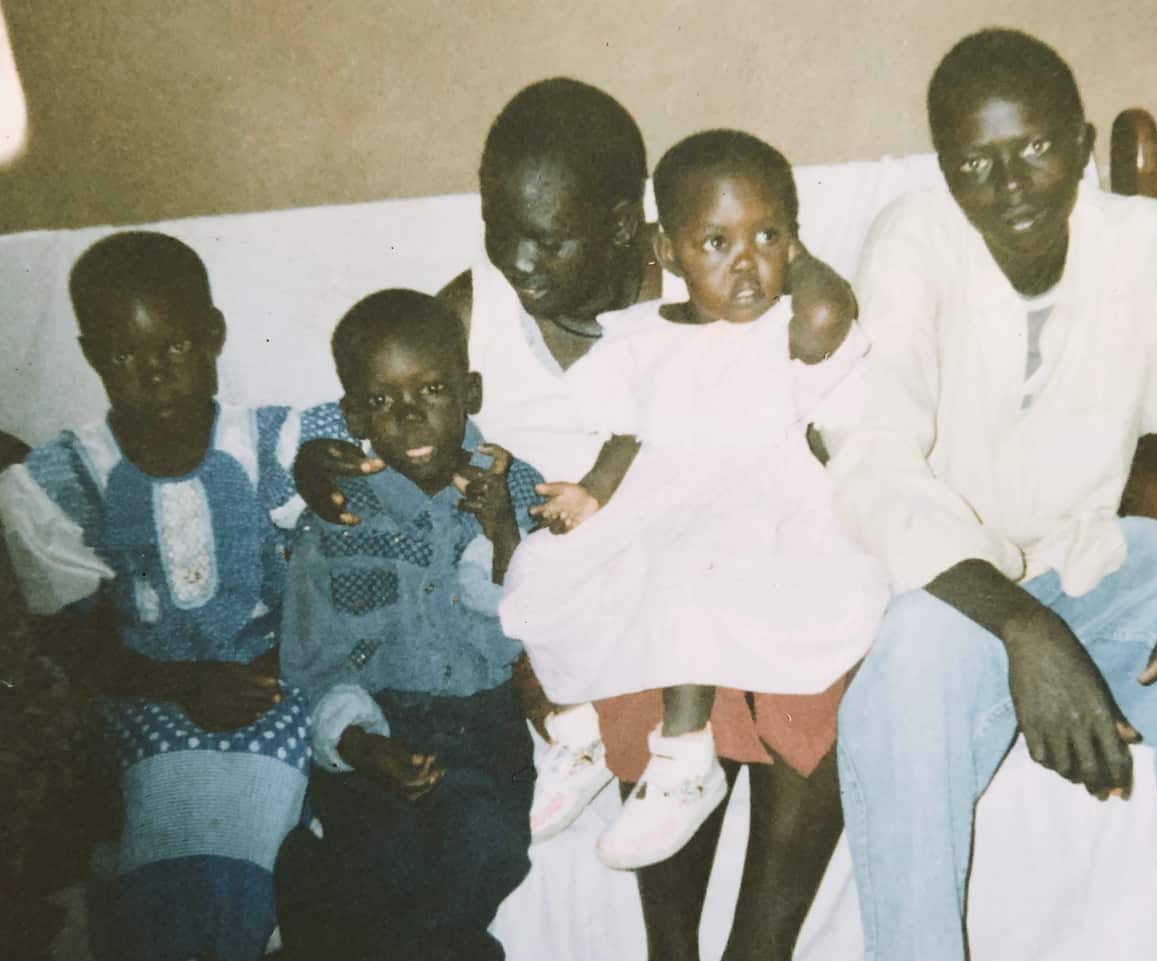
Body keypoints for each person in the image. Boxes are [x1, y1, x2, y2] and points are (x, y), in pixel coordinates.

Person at [293, 78, 861, 961]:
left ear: (628, 228)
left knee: (805, 670)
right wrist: (312, 452)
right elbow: (368, 394)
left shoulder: (706, 289)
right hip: (569, 583)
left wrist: (763, 239)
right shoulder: (472, 308)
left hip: (707, 552)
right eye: (499, 226)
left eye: (549, 241)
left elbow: (811, 343)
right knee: (650, 645)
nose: (519, 261)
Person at [820, 28, 1157, 961]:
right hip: (954, 597)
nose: (1012, 186)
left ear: (1078, 140)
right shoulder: (913, 245)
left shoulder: (1146, 244)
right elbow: (872, 459)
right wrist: (1023, 627)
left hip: (1096, 559)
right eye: (975, 164)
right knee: (904, 669)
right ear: (945, 172)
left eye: (1033, 148)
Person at [498, 129, 887, 871]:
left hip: (757, 504)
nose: (746, 262)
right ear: (669, 253)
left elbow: (831, 315)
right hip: (663, 494)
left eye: (767, 235)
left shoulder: (784, 328)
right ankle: (577, 729)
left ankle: (684, 758)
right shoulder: (640, 337)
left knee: (684, 571)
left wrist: (794, 257)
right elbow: (627, 439)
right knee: (547, 568)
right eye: (716, 241)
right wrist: (591, 494)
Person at [0, 231, 312, 961]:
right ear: (90, 355)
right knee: (171, 803)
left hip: (275, 677)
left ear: (213, 335)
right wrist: (182, 684)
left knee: (276, 797)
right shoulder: (69, 475)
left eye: (173, 348)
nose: (154, 374)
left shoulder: (268, 444)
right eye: (123, 356)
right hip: (150, 691)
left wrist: (273, 664)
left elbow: (317, 581)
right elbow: (72, 640)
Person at [274, 290, 541, 961]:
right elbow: (311, 662)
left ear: (470, 390)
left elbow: (540, 622)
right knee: (376, 853)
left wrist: (504, 533)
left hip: (483, 726)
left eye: (433, 389)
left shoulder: (513, 487)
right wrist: (361, 744)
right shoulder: (338, 512)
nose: (412, 415)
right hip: (377, 724)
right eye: (384, 402)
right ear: (355, 414)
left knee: (485, 844)